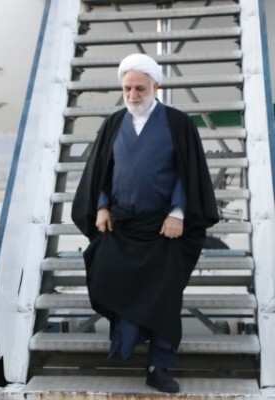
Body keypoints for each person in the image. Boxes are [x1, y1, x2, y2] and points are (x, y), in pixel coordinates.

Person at [71, 53, 219, 393]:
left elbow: (186, 173)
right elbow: (101, 172)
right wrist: (101, 206)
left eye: (140, 88)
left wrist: (178, 212)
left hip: (165, 230)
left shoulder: (178, 123)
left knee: (164, 298)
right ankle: (126, 342)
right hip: (121, 227)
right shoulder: (113, 124)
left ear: (156, 87)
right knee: (108, 275)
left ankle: (158, 366)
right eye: (127, 89)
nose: (133, 95)